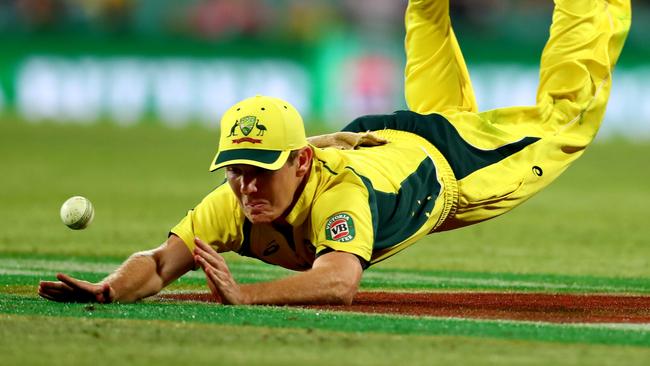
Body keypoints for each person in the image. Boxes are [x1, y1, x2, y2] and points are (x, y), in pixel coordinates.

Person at [39, 0, 631, 305]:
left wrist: (246, 295)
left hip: (451, 165)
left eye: (259, 172)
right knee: (424, 11)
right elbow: (161, 261)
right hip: (382, 138)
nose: (245, 187)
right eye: (236, 172)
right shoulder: (235, 201)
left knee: (566, 115)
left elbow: (338, 283)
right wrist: (110, 288)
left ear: (298, 162)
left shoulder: (339, 198)